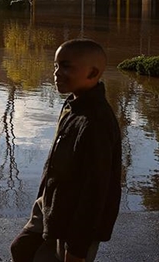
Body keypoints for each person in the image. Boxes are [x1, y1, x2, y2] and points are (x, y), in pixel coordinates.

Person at [10, 38, 122, 262]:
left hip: (76, 222)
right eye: (55, 65)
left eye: (66, 66)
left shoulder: (95, 122)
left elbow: (95, 192)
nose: (57, 73)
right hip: (51, 205)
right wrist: (44, 198)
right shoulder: (73, 104)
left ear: (92, 73)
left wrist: (77, 249)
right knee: (22, 248)